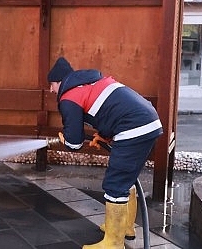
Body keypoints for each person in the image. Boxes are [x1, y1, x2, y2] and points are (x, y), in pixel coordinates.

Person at [47, 57, 162, 249]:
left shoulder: (69, 96)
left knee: (115, 184)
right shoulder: (90, 83)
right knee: (127, 179)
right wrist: (104, 135)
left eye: (51, 85)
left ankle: (113, 244)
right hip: (148, 122)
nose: (51, 90)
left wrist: (66, 140)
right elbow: (111, 110)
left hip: (133, 128)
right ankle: (124, 228)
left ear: (60, 81)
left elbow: (74, 143)